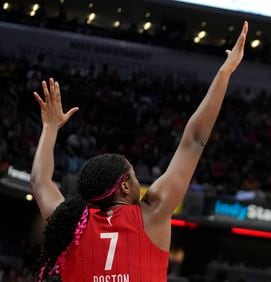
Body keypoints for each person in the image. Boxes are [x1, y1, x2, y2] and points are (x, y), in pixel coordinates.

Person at [30, 22, 248, 282]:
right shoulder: (152, 213)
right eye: (133, 176)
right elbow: (194, 141)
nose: (138, 183)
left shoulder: (70, 223)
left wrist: (49, 127)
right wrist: (224, 73)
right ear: (123, 187)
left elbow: (39, 181)